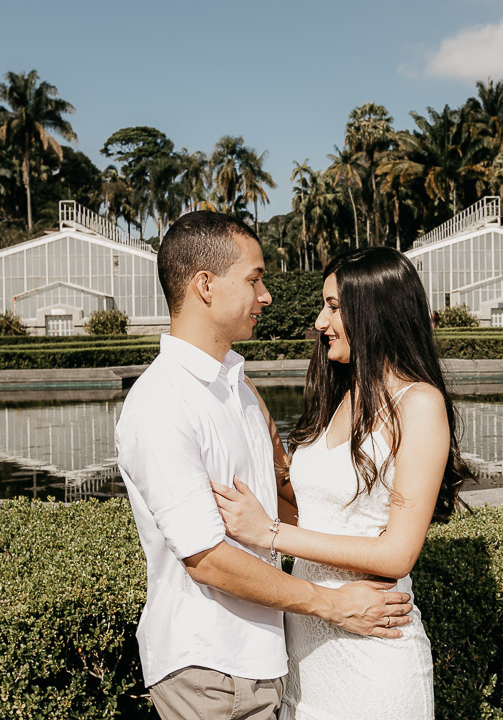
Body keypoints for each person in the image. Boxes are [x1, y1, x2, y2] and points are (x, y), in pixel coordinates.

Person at [115, 213, 413, 720]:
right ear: (205, 286)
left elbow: (282, 502)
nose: (267, 295)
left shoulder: (239, 389)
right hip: (208, 667)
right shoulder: (162, 402)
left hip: (267, 659)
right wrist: (331, 603)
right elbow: (205, 557)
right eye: (254, 279)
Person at [212, 247, 469, 719]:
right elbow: (314, 505)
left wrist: (269, 532)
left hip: (374, 656)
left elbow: (397, 553)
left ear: (375, 310)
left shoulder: (419, 404)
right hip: (305, 651)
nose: (319, 321)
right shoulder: (343, 393)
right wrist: (254, 419)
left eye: (333, 306)